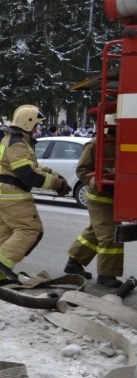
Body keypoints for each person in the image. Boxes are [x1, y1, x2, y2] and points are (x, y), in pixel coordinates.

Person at [0, 105, 69, 285]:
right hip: (14, 195)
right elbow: (27, 174)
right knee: (31, 229)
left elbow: (33, 167)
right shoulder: (17, 143)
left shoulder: (14, 140)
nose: (37, 129)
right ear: (27, 123)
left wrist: (55, 176)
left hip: (4, 195)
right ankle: (1, 262)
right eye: (36, 125)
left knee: (4, 236)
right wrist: (56, 184)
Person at [64, 115, 123, 288]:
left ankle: (73, 263)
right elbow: (82, 170)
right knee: (110, 234)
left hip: (113, 197)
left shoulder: (122, 143)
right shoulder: (96, 144)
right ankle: (106, 274)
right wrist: (98, 183)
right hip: (99, 197)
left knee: (95, 232)